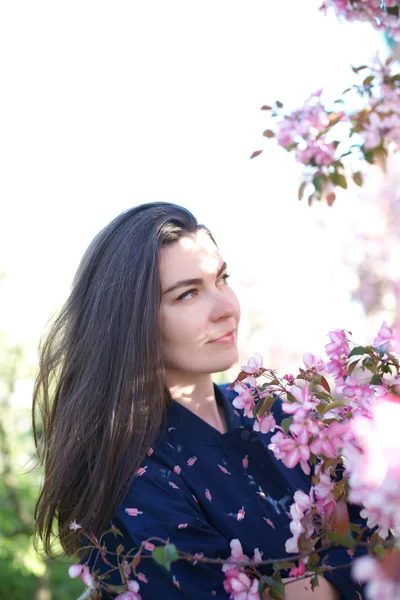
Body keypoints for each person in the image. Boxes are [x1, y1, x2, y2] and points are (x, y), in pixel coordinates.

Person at [32, 202, 365, 599]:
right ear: (131, 320)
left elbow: (377, 544)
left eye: (222, 279)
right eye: (188, 294)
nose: (226, 309)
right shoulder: (129, 474)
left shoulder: (277, 415)